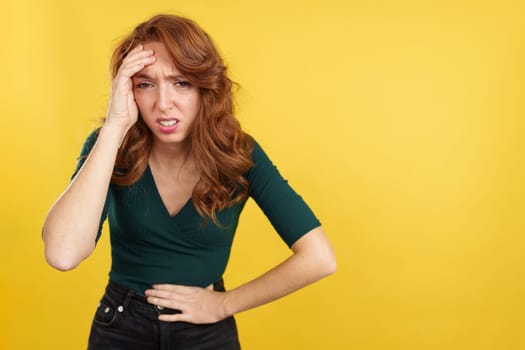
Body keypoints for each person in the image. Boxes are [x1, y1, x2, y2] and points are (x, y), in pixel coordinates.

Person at [42, 13, 336, 350]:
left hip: (206, 331)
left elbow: (319, 258)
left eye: (180, 82)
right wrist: (114, 127)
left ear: (204, 87)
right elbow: (62, 254)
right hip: (121, 325)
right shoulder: (110, 146)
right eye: (145, 84)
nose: (163, 104)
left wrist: (226, 304)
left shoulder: (240, 154)